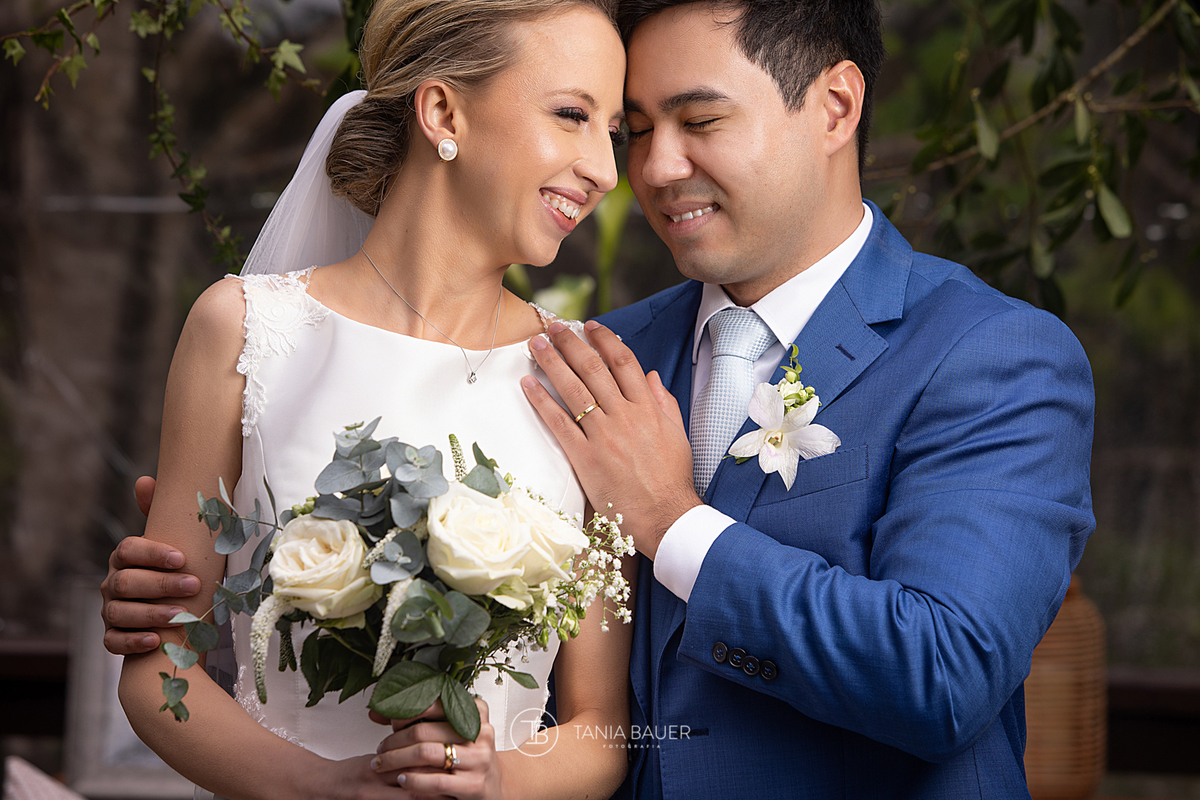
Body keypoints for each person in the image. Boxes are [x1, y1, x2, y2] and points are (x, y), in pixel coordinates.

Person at [105, 0, 1098, 797]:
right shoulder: (600, 355)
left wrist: (672, 521)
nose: (647, 170)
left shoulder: (993, 355)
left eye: (698, 120)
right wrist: (246, 556)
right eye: (631, 126)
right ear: (443, 114)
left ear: (836, 107)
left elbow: (944, 671)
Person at [111, 1, 636, 800]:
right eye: (571, 115)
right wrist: (323, 787)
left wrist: (493, 777)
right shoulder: (244, 329)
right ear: (441, 110)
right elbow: (157, 668)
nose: (603, 167)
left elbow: (601, 732)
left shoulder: (584, 378)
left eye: (613, 132)